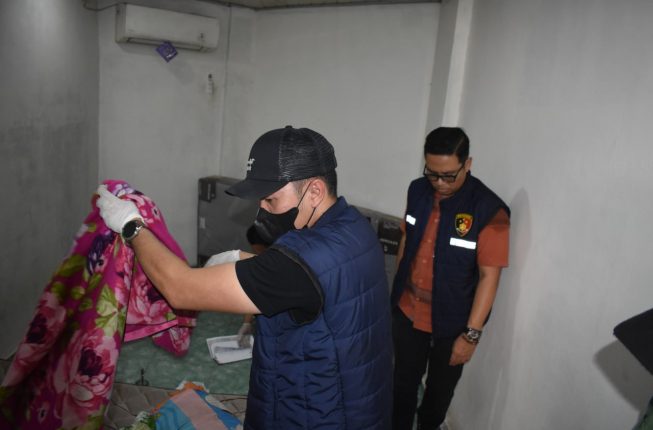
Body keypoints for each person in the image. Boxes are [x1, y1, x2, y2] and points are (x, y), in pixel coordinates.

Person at [96, 126, 393, 430]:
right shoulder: (355, 228)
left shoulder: (300, 260)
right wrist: (246, 260)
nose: (262, 209)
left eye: (271, 199)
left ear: (314, 191)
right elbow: (324, 283)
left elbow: (179, 288)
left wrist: (131, 225)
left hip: (311, 416)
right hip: (358, 403)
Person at [390, 127, 510, 430]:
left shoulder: (488, 210)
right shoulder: (417, 190)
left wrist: (471, 336)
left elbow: (489, 276)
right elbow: (406, 240)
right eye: (433, 174)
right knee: (401, 386)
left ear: (467, 164)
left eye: (448, 175)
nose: (440, 183)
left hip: (452, 324)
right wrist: (395, 295)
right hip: (408, 312)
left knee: (437, 397)